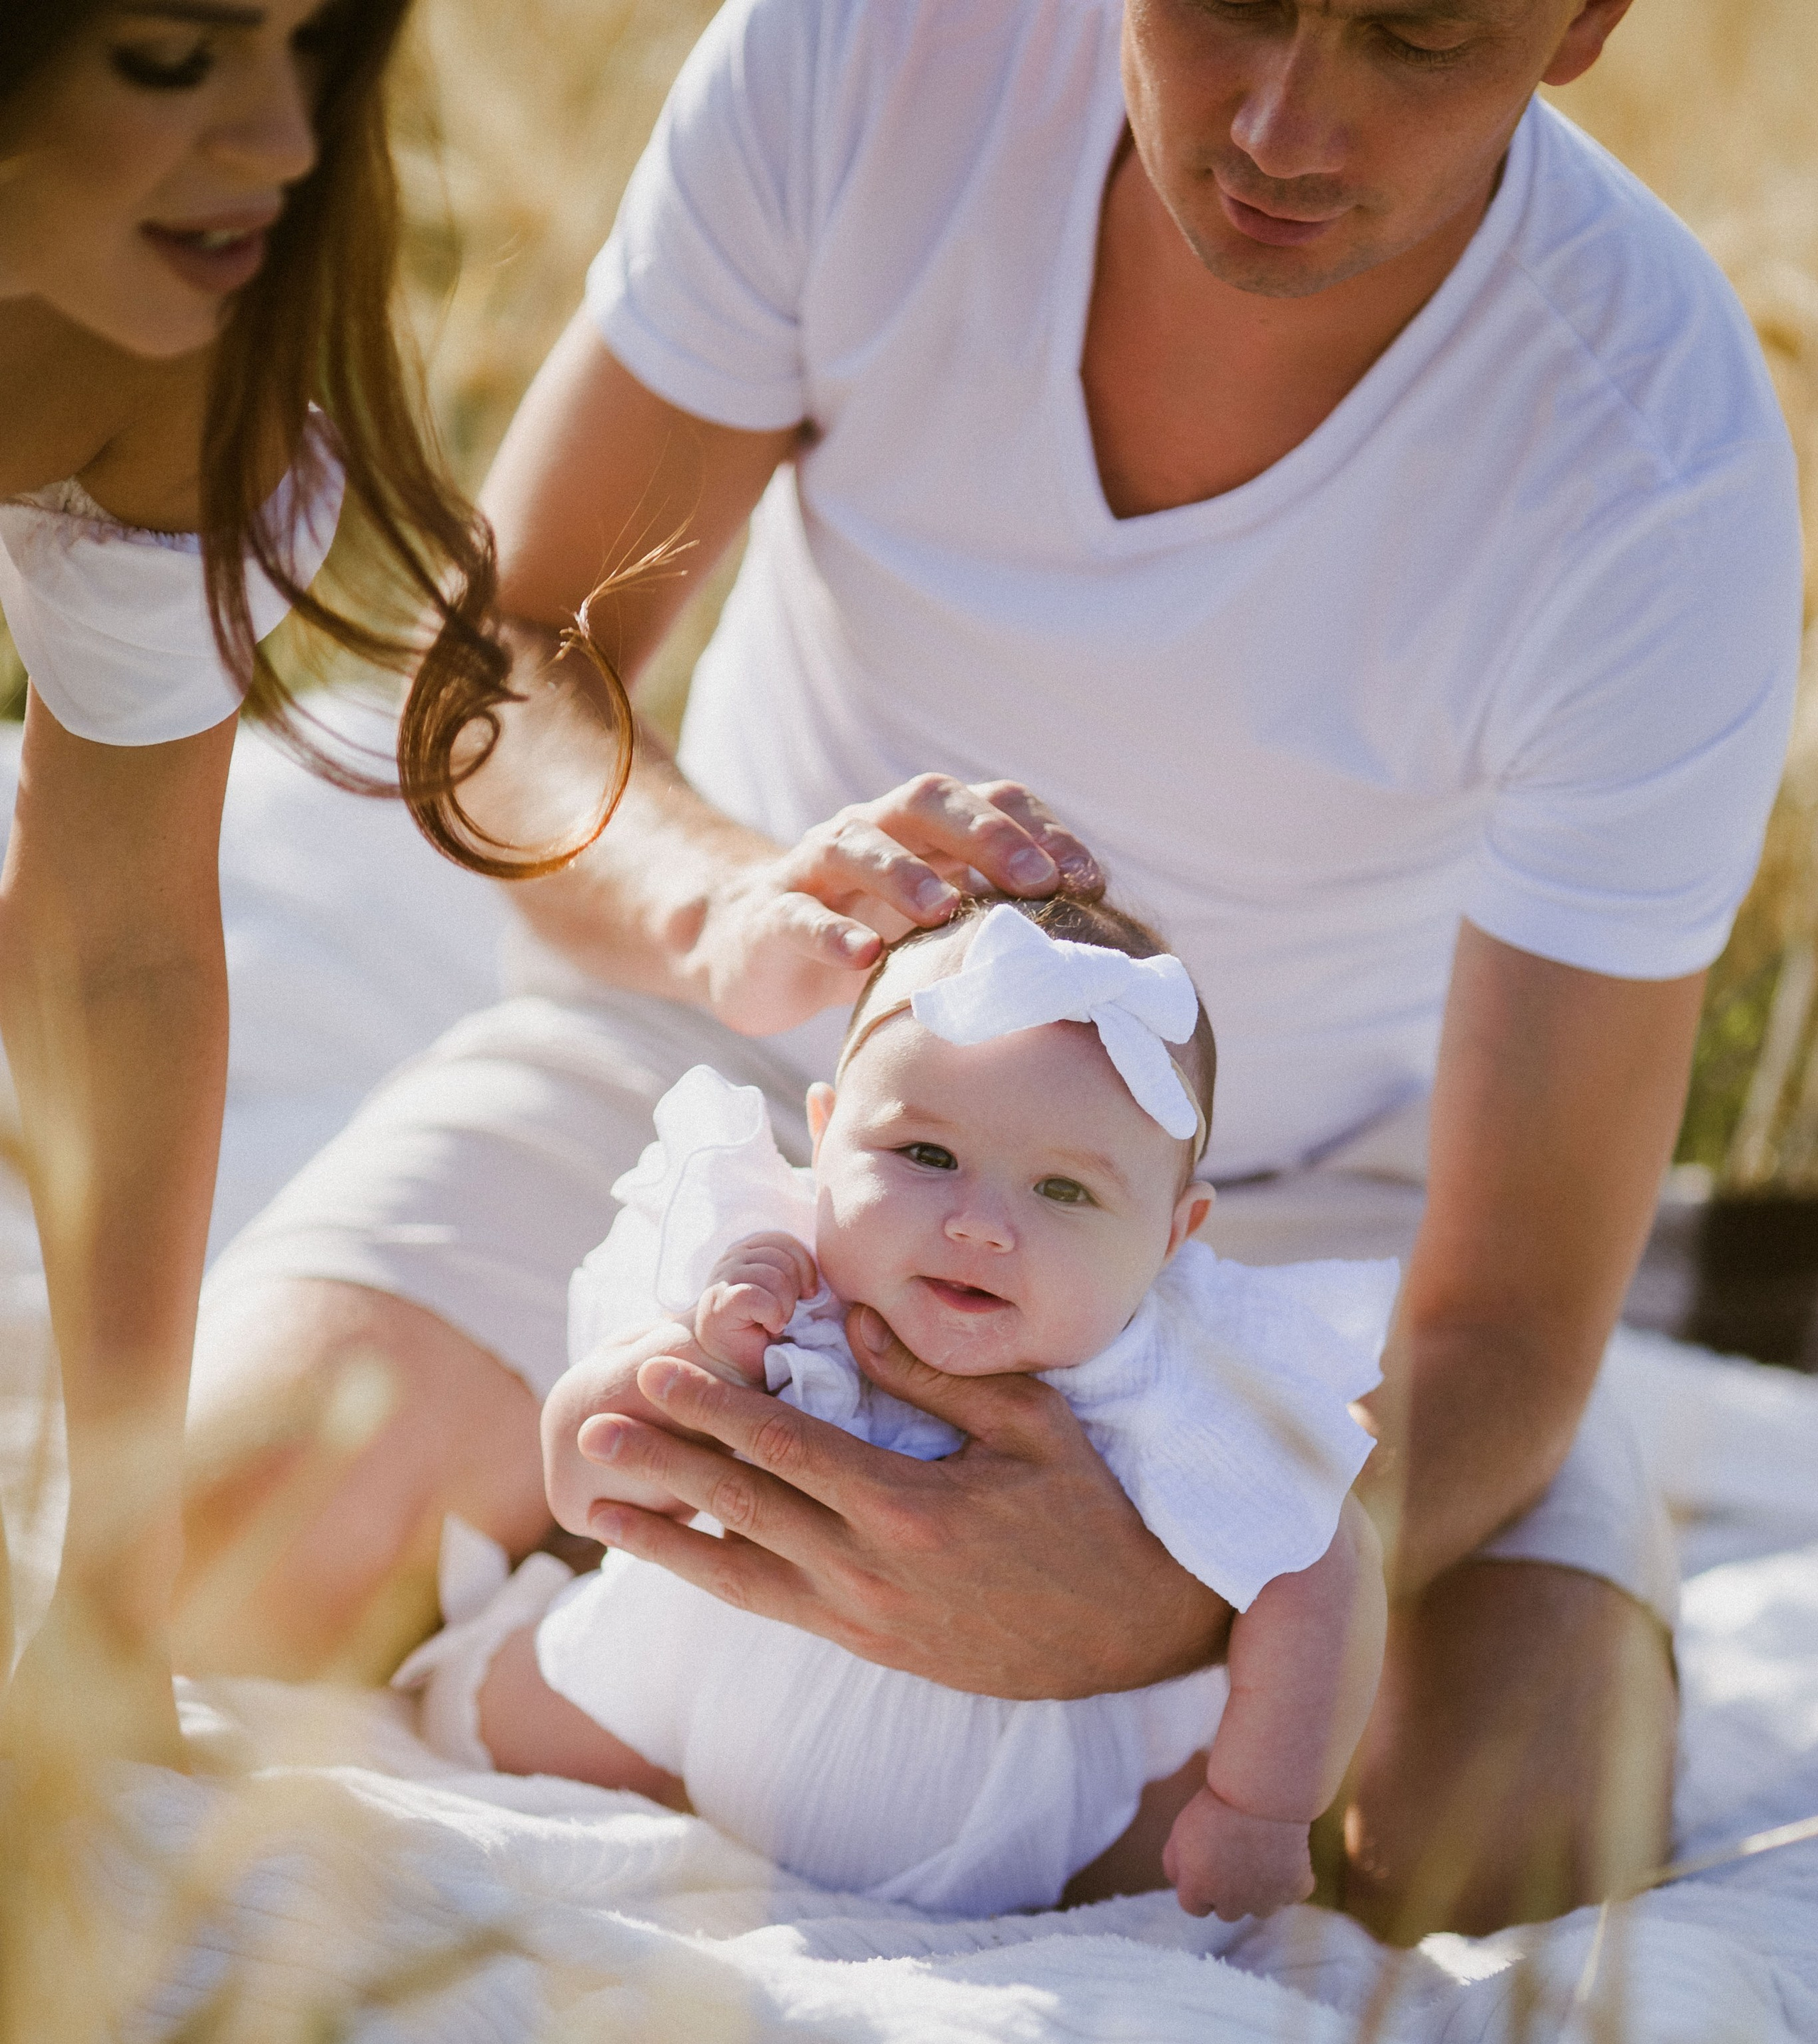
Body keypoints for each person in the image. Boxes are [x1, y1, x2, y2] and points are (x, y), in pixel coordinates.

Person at [187, 0, 1803, 1938]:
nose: (1287, 120)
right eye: (1227, 3)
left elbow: (1519, 1319)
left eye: (1419, 35)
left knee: (1512, 1843)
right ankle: (628, 1633)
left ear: (1585, 23)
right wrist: (723, 908)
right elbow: (507, 657)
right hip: (758, 1075)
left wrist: (1176, 1579)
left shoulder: (1660, 466)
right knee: (208, 1544)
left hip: (1303, 1233)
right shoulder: (860, 61)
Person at [0, 3, 629, 1760]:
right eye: (172, 56)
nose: (282, 140)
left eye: (316, 42)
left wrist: (107, 1605)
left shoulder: (171, 354)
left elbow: (108, 942)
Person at [396, 896, 1394, 1920]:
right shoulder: (773, 1276)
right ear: (823, 1138)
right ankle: (469, 1660)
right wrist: (692, 1361)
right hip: (674, 1716)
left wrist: (1258, 1808)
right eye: (925, 1156)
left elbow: (1323, 1568)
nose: (980, 1224)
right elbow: (578, 1474)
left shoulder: (1167, 1380)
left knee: (1163, 1874)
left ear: (1174, 1239)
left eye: (1065, 1192)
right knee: (505, 1714)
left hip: (1018, 1816)